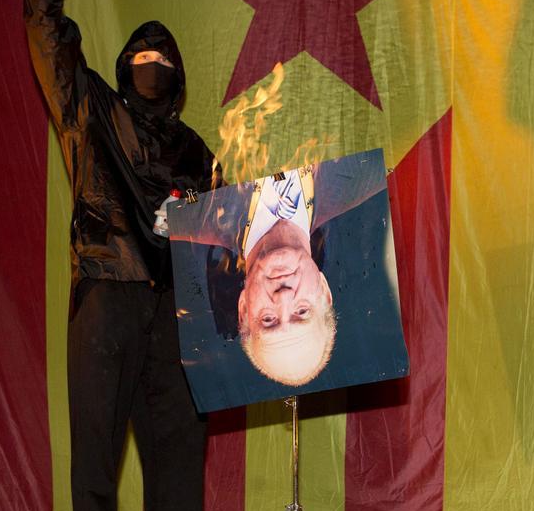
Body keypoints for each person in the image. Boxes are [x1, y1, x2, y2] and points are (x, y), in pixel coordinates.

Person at [25, 0, 218, 511]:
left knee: (178, 458)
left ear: (178, 74)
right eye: (140, 59)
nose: (150, 69)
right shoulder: (94, 113)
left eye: (161, 63)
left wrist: (193, 225)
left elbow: (231, 238)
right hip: (108, 292)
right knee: (95, 460)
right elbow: (50, 40)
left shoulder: (196, 148)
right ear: (122, 68)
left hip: (177, 314)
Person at [158, 148, 386, 386]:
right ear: (324, 292)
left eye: (268, 319)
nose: (284, 297)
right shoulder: (368, 170)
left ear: (244, 307)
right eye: (302, 312)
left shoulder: (183, 216)